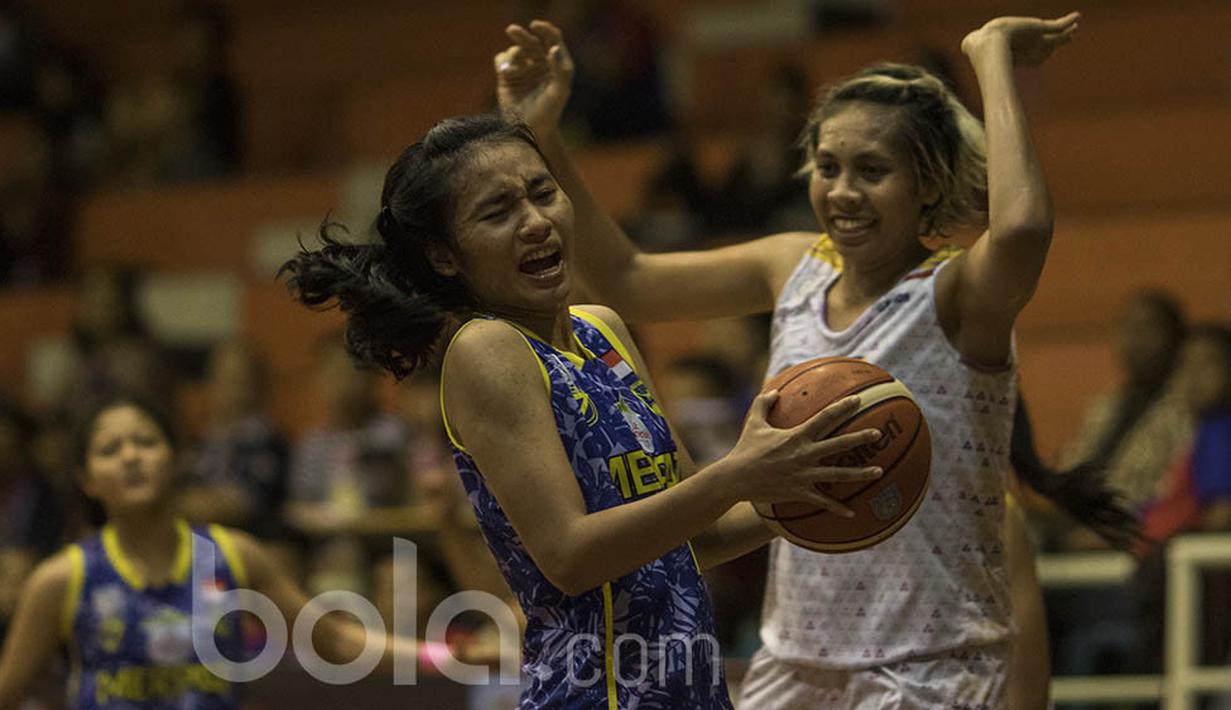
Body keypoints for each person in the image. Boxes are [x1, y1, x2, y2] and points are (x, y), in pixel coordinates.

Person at [494, 13, 1137, 705]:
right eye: (827, 167)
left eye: (871, 171)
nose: (841, 192)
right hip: (794, 664)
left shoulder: (956, 296)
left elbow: (1021, 227)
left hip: (928, 669)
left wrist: (992, 59)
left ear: (927, 184)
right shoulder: (791, 266)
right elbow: (625, 279)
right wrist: (545, 135)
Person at [279, 113, 884, 707]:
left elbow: (695, 533)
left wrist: (813, 484)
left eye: (544, 193)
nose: (536, 221)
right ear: (444, 256)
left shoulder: (605, 330)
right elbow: (570, 556)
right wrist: (737, 474)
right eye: (498, 212)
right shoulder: (488, 348)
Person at [0, 395, 427, 710]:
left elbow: (335, 640)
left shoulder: (234, 554)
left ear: (176, 458)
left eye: (146, 442)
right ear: (87, 480)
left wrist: (442, 656)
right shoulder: (62, 578)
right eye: (110, 450)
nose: (131, 457)